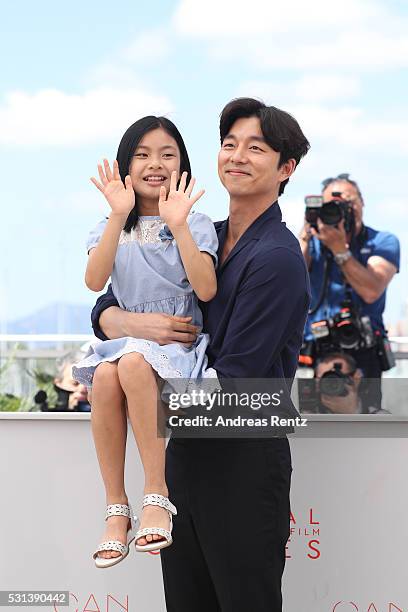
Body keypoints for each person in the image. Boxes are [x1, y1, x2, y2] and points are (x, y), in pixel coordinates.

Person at [91, 98, 311, 611]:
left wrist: (135, 375)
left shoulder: (276, 256)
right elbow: (122, 291)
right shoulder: (202, 233)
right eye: (229, 144)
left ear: (286, 168)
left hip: (241, 465)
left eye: (255, 147)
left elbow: (236, 383)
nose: (237, 156)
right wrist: (118, 322)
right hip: (182, 468)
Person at [72, 116, 219, 567]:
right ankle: (117, 507)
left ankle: (156, 492)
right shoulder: (109, 224)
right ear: (125, 165)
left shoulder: (196, 222)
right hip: (129, 342)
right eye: (142, 154)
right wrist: (119, 214)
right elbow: (95, 281)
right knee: (106, 375)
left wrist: (179, 226)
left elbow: (206, 288)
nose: (154, 163)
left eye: (167, 154)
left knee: (131, 365)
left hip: (176, 346)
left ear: (182, 164)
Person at [299, 174, 400, 409]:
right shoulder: (312, 242)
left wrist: (339, 249)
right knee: (308, 422)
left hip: (364, 352)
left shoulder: (381, 241)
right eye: (330, 206)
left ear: (362, 204)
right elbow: (286, 284)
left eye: (347, 203)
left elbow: (371, 290)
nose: (339, 211)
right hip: (315, 349)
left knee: (365, 422)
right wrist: (305, 233)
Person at [312, 352, 390, 414]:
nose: (330, 384)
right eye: (323, 379)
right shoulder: (307, 416)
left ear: (356, 378)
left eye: (336, 378)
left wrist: (352, 412)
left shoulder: (379, 417)